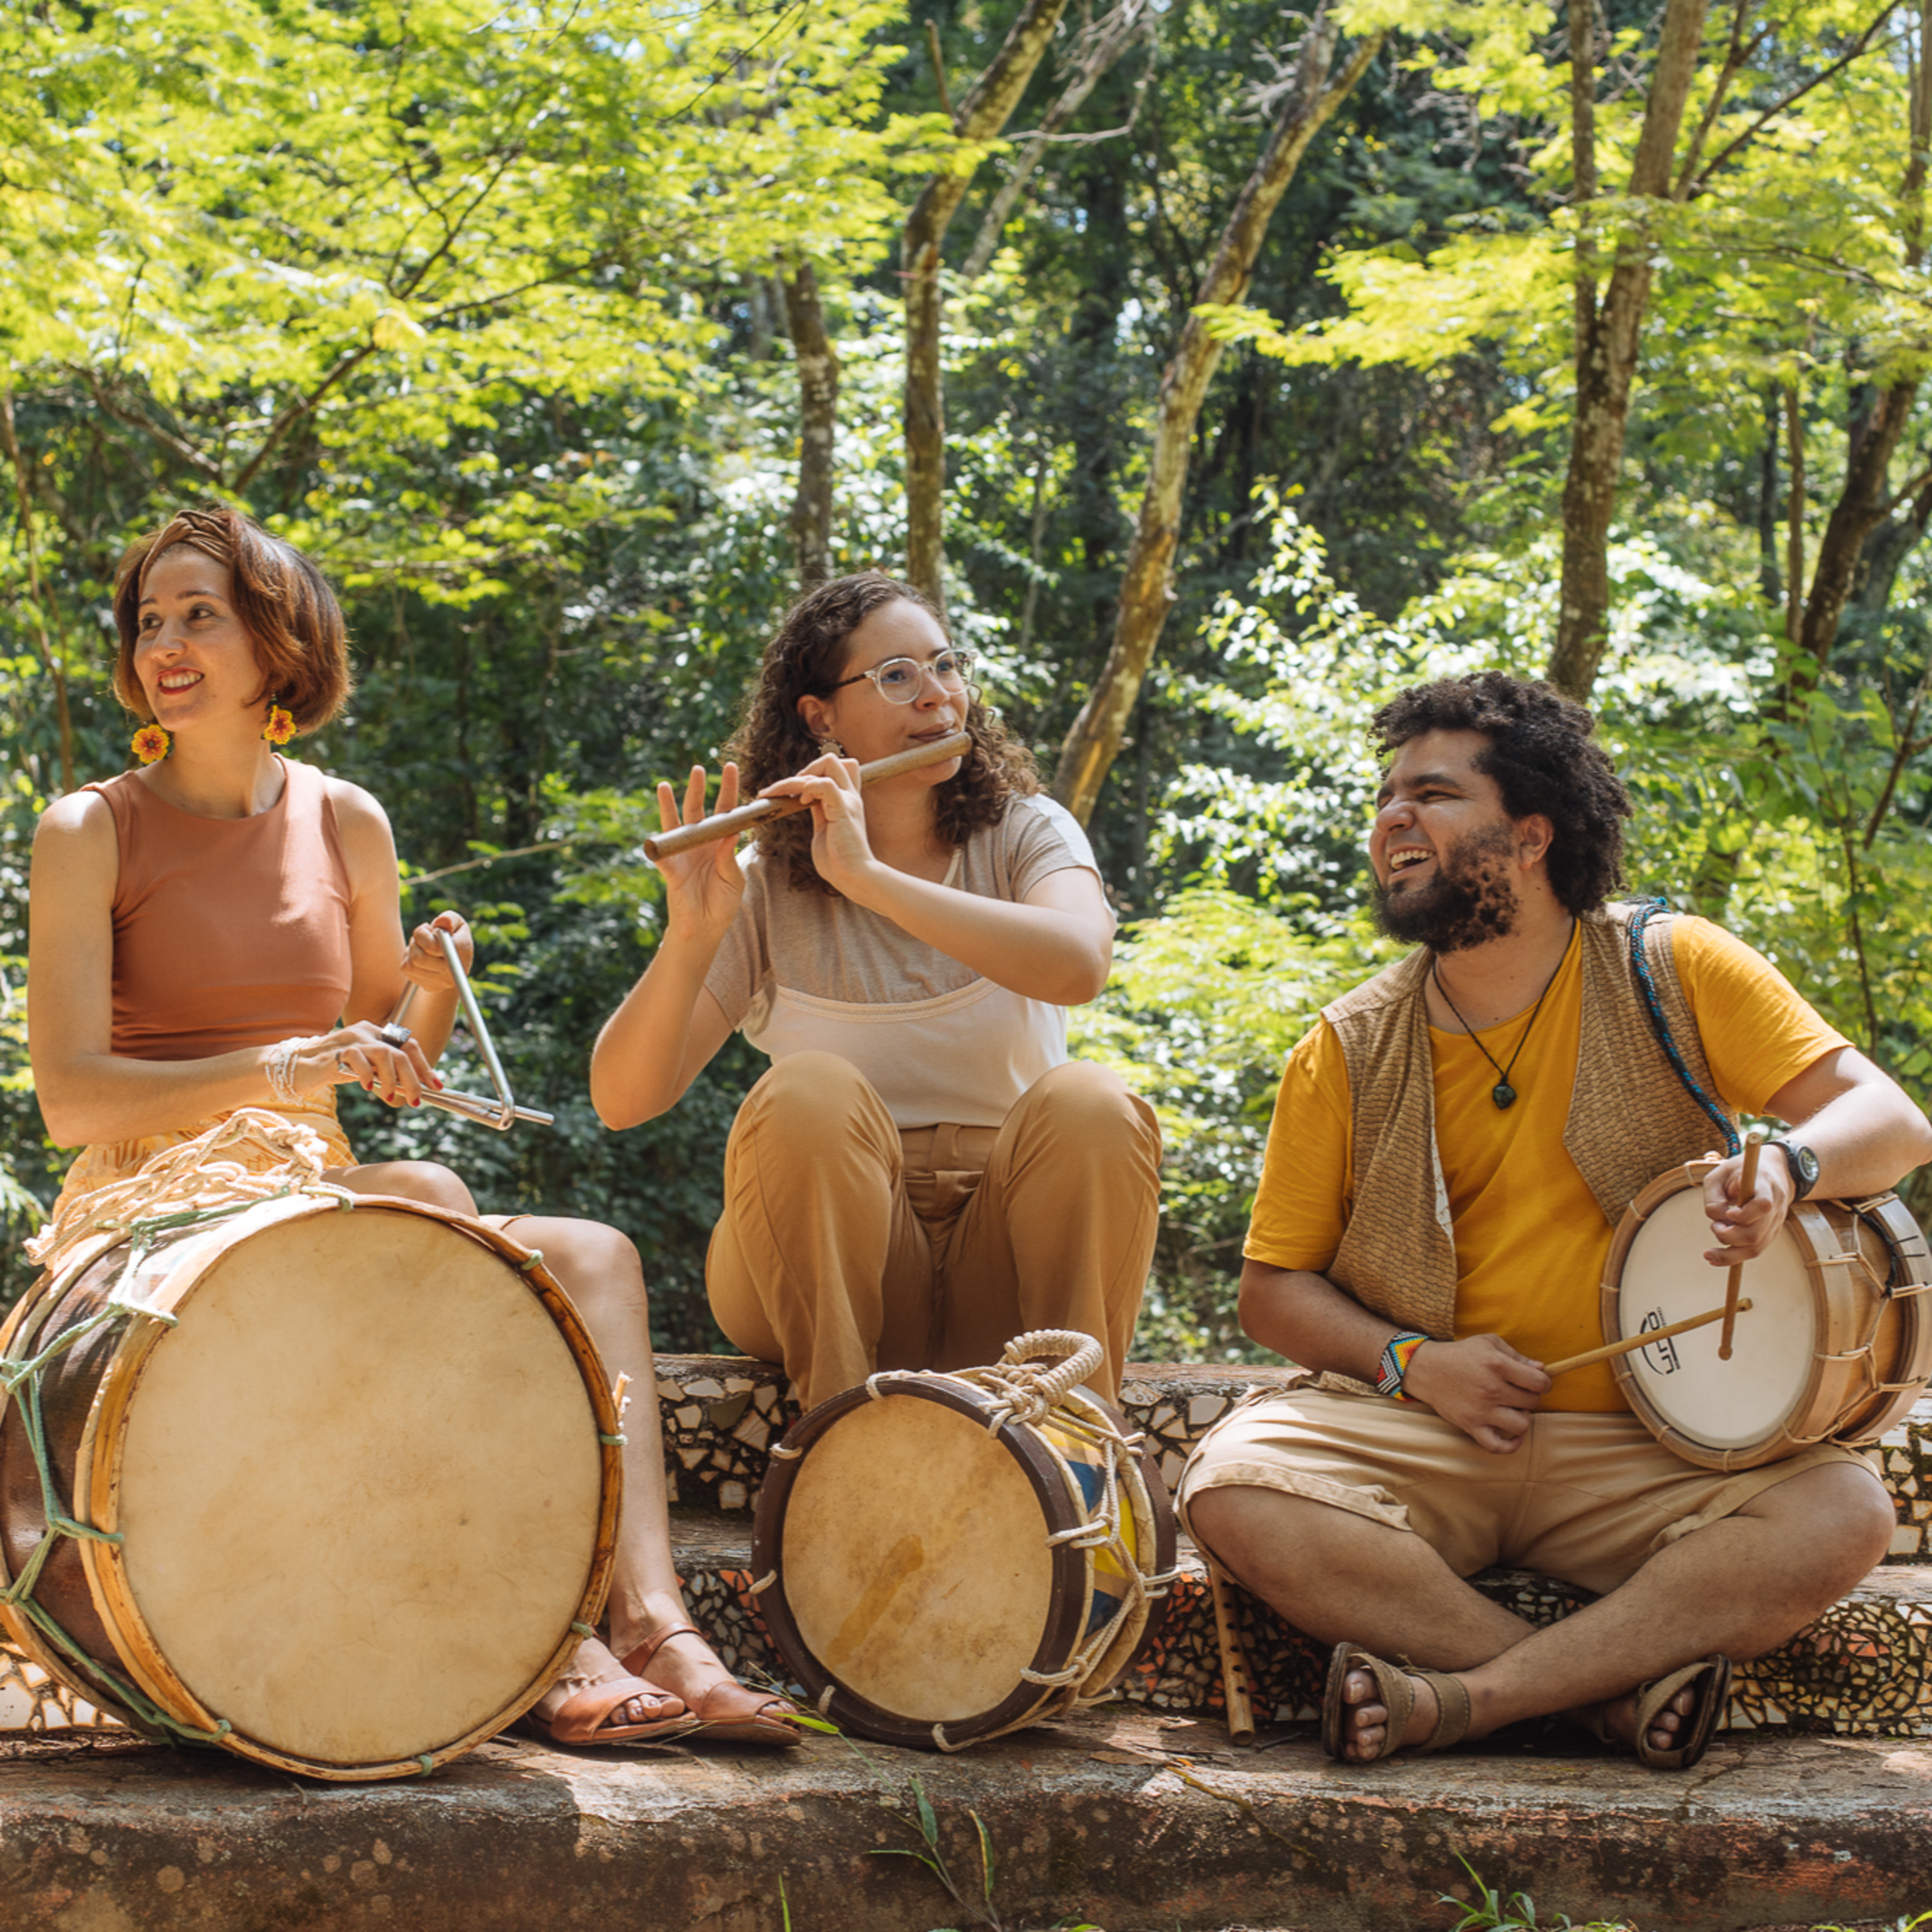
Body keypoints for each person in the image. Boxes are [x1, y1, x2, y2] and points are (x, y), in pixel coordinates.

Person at [27, 506, 799, 1750]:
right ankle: (555, 1647)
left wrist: (429, 989)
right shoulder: (90, 829)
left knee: (594, 1253)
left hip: (320, 1179)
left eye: (199, 615)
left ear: (279, 642)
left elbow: (396, 1067)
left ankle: (658, 1622)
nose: (163, 642)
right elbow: (71, 1096)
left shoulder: (348, 821)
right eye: (148, 621)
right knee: (433, 1193)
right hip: (152, 1198)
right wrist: (286, 1064)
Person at [1180, 672, 1932, 1769]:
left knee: (1844, 1517)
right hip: (1431, 1433)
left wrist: (1788, 1164)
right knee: (1234, 1489)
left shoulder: (1672, 965)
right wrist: (1411, 1364)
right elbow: (1273, 1291)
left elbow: (1894, 1120)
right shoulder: (1344, 1047)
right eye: (1388, 795)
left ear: (1530, 835)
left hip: (1656, 1447)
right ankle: (1594, 1706)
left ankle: (1473, 1699)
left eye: (1433, 794)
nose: (1394, 816)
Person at [591, 571, 1160, 1413]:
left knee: (1093, 1101)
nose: (938, 699)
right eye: (898, 677)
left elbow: (1080, 965)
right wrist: (692, 936)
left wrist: (867, 879)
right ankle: (831, 1448)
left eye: (945, 667)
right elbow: (622, 1099)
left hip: (1001, 1263)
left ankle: (1078, 1438)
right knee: (808, 1090)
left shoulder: (1026, 832)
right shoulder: (763, 882)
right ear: (820, 716)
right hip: (819, 1245)